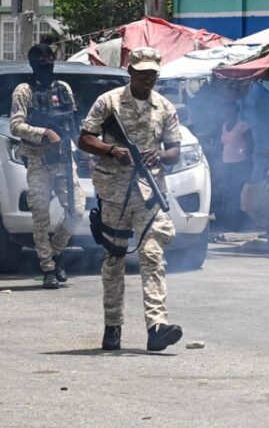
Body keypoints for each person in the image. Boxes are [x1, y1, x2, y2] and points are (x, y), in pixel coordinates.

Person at [78, 47, 184, 352]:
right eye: (142, 73)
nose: (147, 78)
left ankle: (157, 327)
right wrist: (112, 150)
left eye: (152, 73)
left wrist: (160, 154)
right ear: (131, 72)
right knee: (114, 259)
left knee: (152, 252)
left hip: (149, 193)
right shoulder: (108, 102)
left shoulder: (164, 107)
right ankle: (113, 326)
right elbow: (85, 137)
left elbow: (174, 151)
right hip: (114, 193)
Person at [9, 39, 85, 289]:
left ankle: (57, 251)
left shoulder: (63, 88)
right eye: (42, 63)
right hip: (38, 159)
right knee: (40, 218)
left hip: (63, 158)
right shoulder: (24, 91)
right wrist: (44, 133)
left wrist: (85, 149)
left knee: (76, 211)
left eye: (50, 62)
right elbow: (16, 125)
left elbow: (72, 121)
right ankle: (49, 268)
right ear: (32, 65)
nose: (47, 67)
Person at [218, 101, 253, 230]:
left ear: (235, 111)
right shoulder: (224, 125)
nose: (227, 112)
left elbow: (250, 144)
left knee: (236, 193)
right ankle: (230, 222)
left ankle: (238, 223)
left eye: (229, 110)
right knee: (229, 193)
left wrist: (248, 160)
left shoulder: (242, 126)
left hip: (240, 163)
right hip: (227, 162)